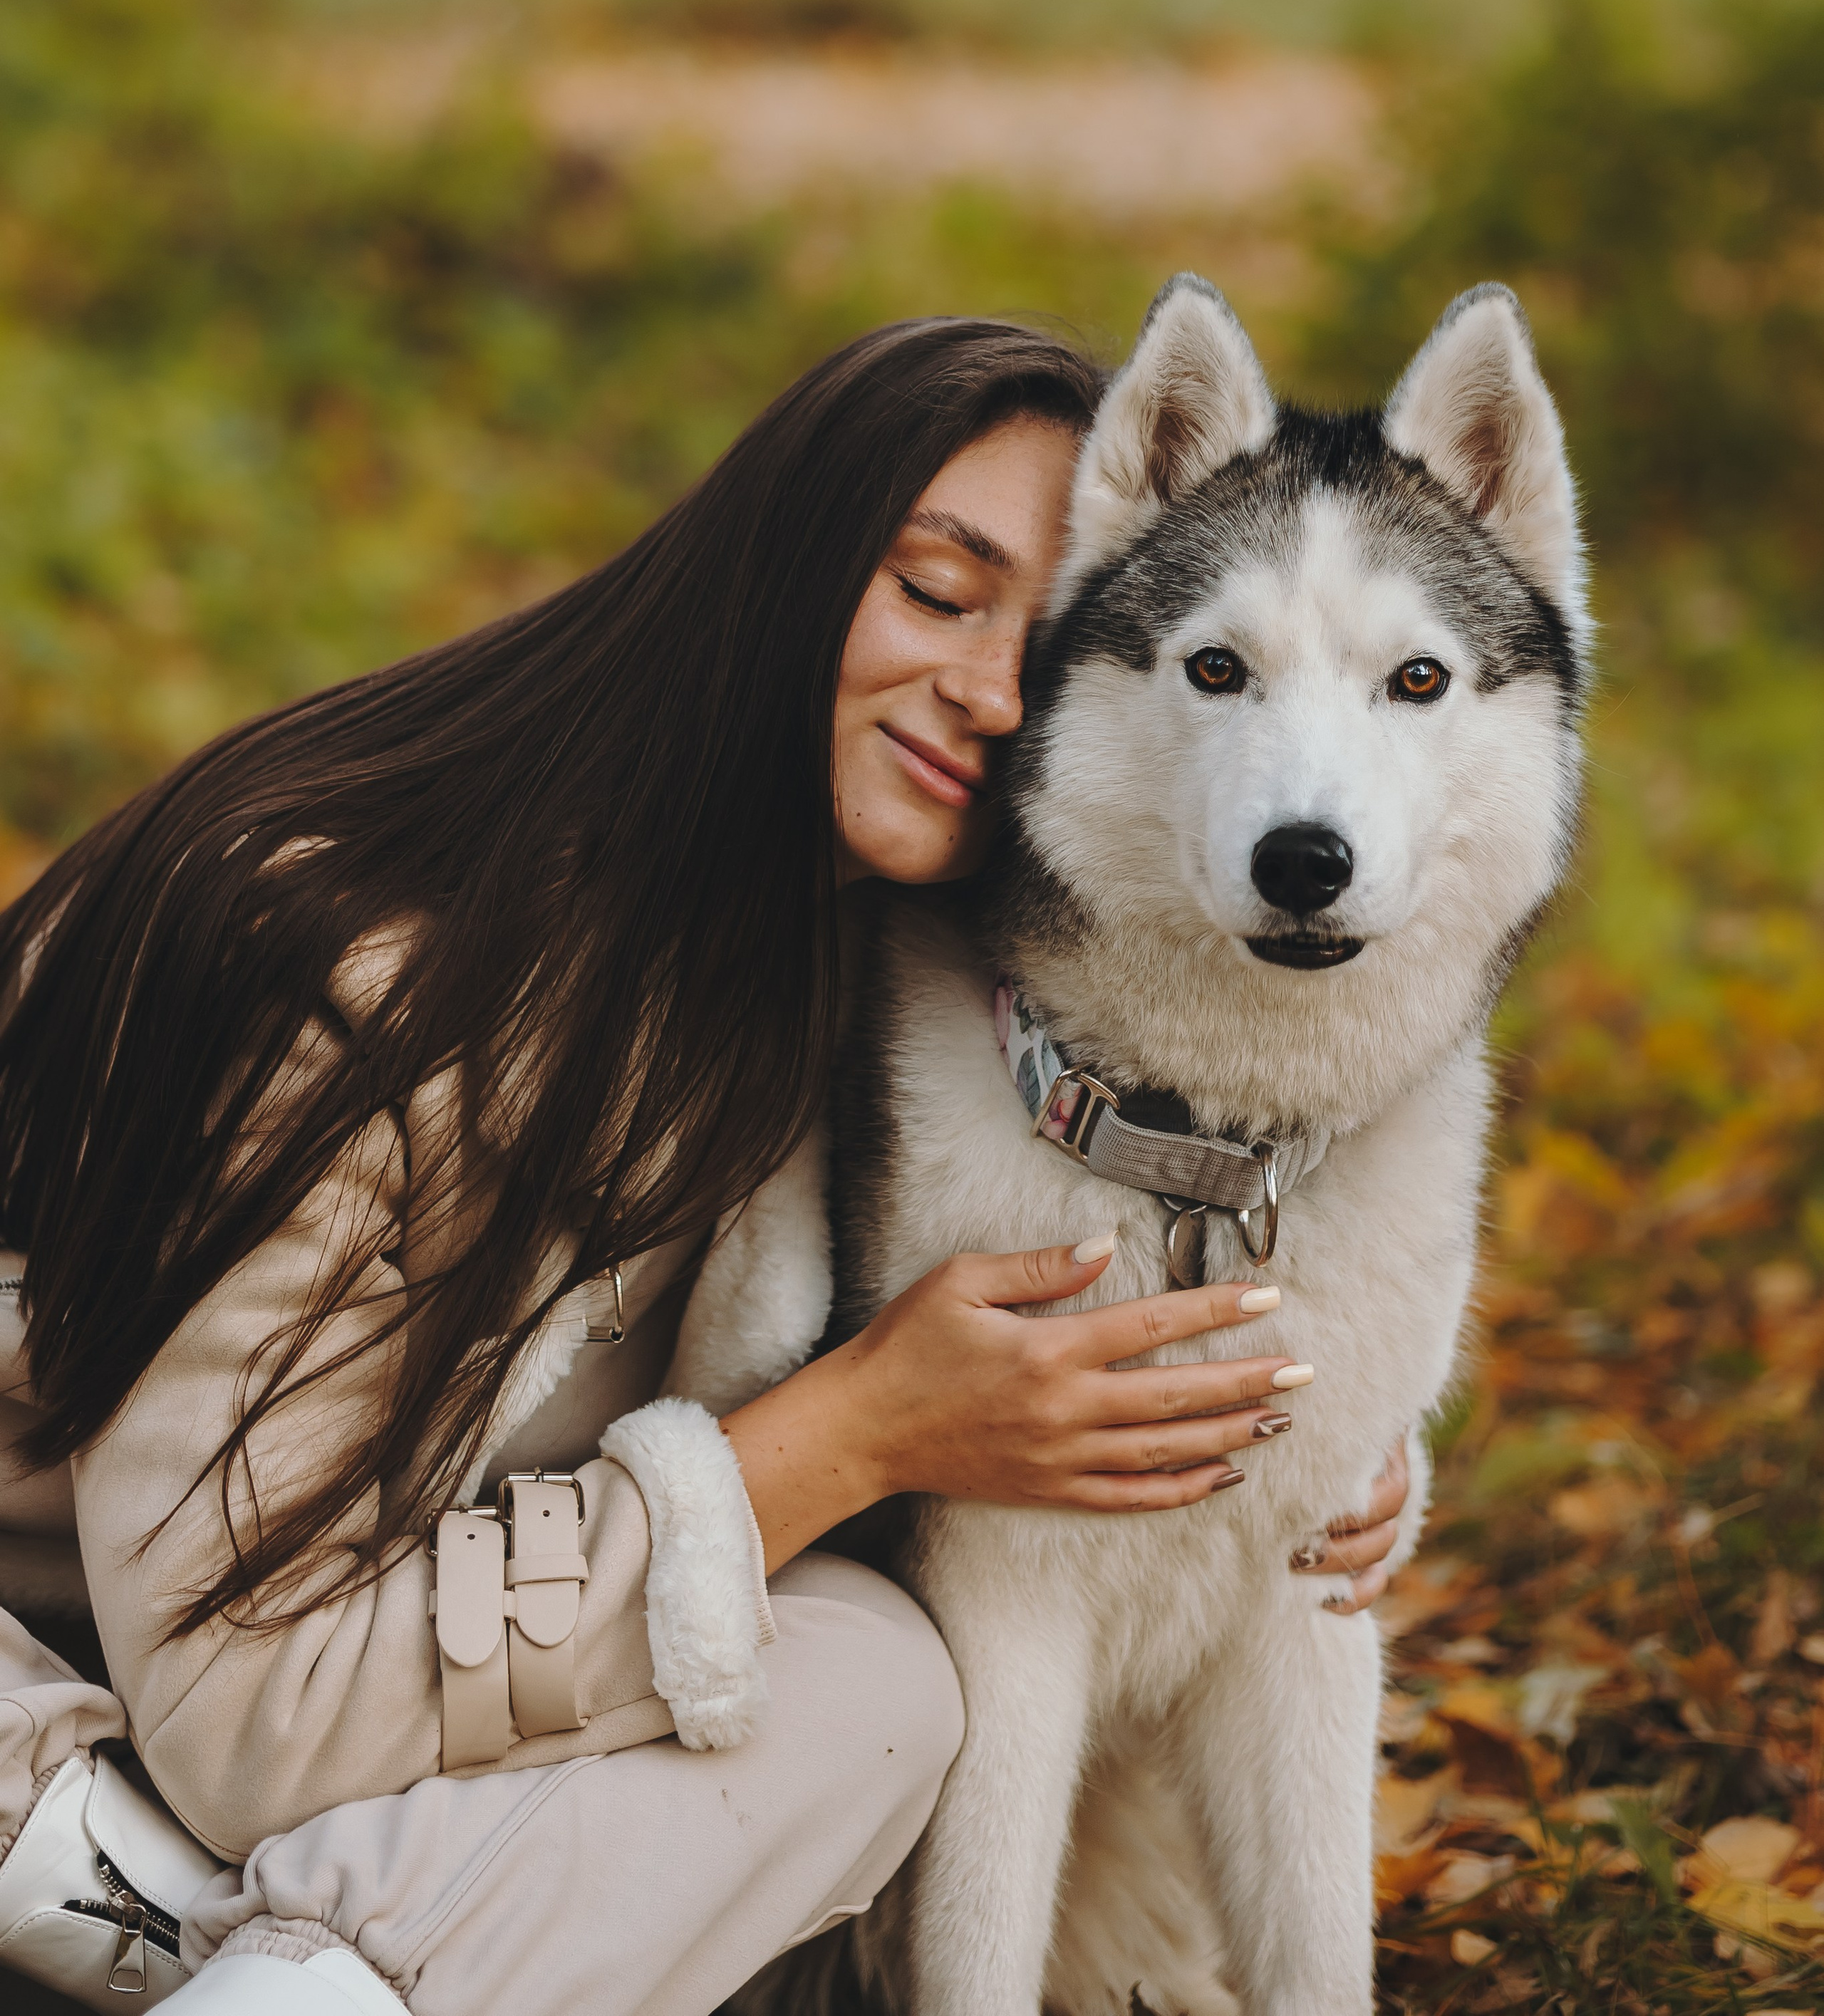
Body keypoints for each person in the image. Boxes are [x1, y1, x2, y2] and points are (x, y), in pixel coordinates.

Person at [0, 318, 1407, 2015]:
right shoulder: (339, 958)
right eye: (934, 592)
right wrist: (848, 1433)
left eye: (1050, 647)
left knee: (873, 1682)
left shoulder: (851, 976)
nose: (989, 691)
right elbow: (252, 1721)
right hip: (84, 1692)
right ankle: (185, 1942)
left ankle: (226, 1958)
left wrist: (1262, 1458)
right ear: (777, 564)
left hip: (376, 1754)